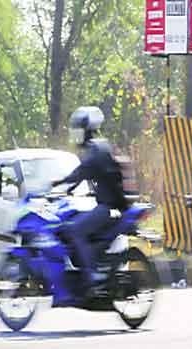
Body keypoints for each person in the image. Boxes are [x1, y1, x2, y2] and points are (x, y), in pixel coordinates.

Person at [53, 106, 128, 295]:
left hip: (107, 208)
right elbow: (88, 173)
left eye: (77, 129)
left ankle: (91, 276)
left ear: (85, 130)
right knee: (77, 223)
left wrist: (59, 182)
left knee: (74, 230)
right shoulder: (99, 146)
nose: (75, 133)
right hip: (110, 206)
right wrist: (68, 188)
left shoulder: (95, 148)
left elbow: (82, 171)